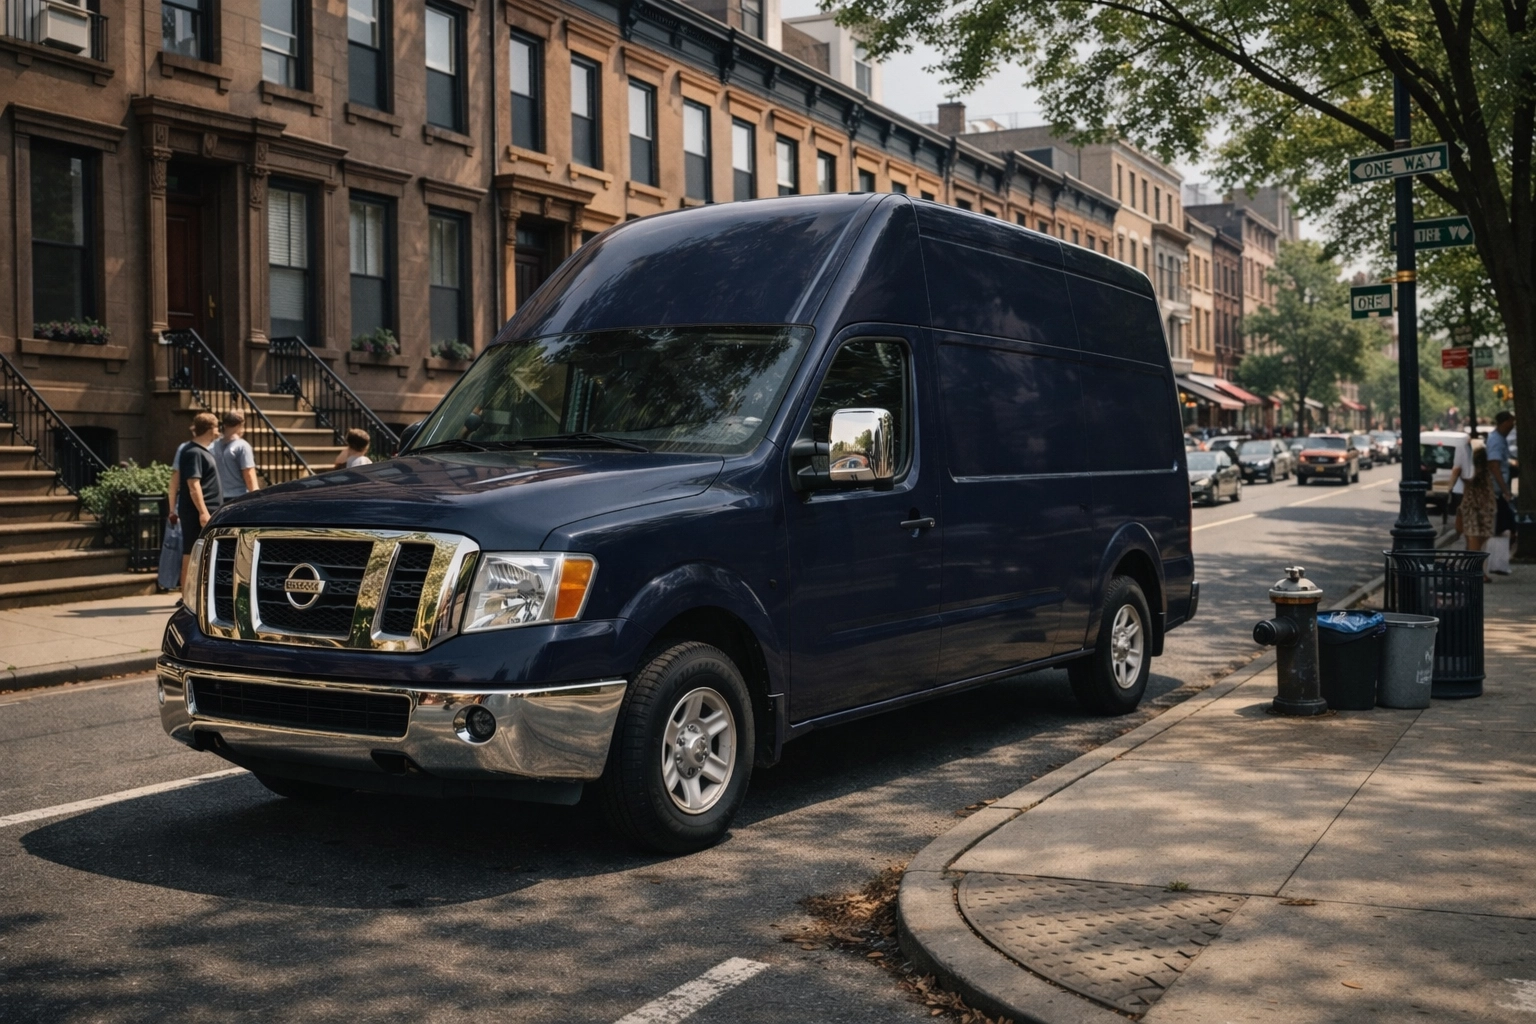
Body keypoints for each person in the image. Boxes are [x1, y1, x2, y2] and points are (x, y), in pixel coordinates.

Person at [171, 413, 223, 588]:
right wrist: (203, 512)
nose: (218, 431)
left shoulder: (201, 451)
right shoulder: (193, 452)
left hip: (206, 511)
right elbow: (193, 485)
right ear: (209, 429)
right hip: (196, 513)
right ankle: (187, 595)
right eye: (216, 427)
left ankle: (199, 592)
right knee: (191, 552)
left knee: (203, 553)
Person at [1453, 443, 1498, 582]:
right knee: (1476, 542)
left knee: (1474, 542)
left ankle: (1473, 571)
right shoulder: (1481, 472)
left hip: (1474, 508)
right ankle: (1476, 572)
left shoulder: (1476, 471)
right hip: (1479, 509)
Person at [211, 410, 259, 500]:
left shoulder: (212, 446)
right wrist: (256, 497)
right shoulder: (242, 446)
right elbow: (249, 475)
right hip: (238, 496)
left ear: (225, 425)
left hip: (217, 496)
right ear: (240, 425)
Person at [1487, 410, 1517, 549]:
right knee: (1506, 522)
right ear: (1504, 423)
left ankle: (1500, 552)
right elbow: (1494, 466)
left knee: (1504, 523)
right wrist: (1505, 490)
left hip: (1499, 490)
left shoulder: (1500, 438)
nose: (1513, 425)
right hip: (1497, 491)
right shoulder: (1496, 440)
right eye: (1511, 422)